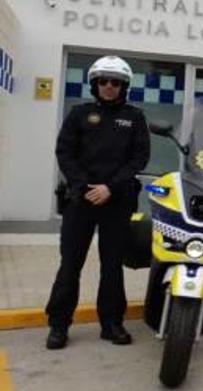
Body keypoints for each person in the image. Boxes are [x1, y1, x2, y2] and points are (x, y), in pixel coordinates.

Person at [46, 55, 150, 349]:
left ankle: (112, 324)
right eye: (103, 81)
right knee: (70, 265)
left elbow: (139, 158)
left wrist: (110, 188)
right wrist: (83, 186)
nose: (109, 86)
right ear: (94, 84)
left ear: (123, 86)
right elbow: (64, 152)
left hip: (116, 203)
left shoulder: (134, 117)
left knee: (112, 266)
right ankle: (58, 325)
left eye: (115, 82)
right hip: (80, 201)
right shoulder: (79, 114)